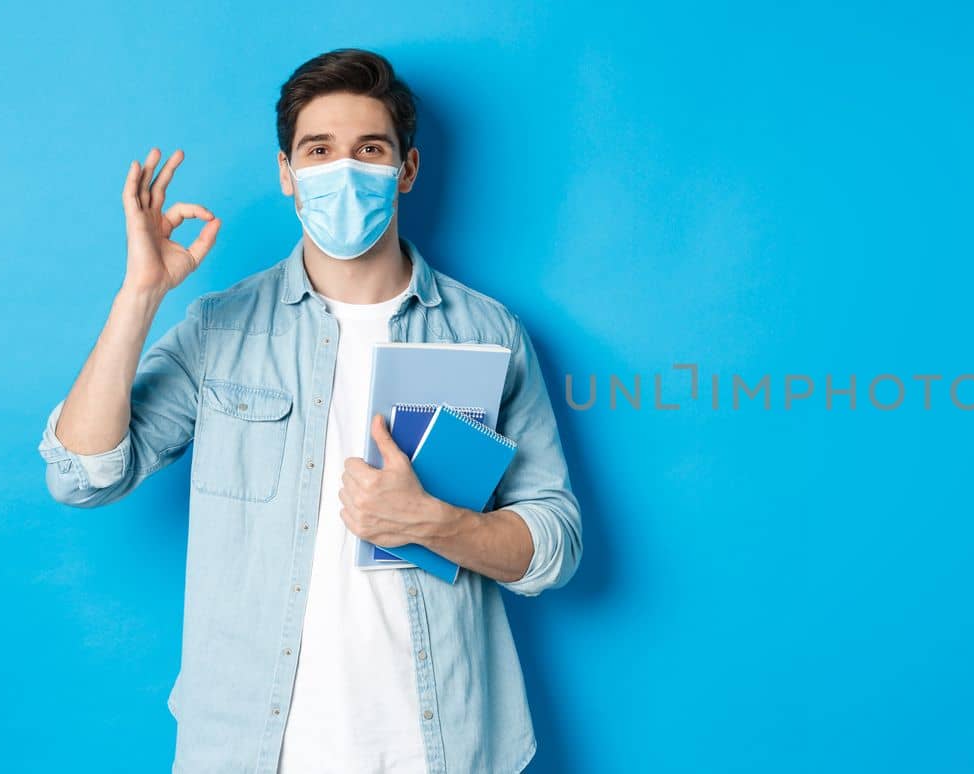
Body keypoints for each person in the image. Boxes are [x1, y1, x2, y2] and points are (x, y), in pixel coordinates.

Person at [35, 48, 581, 773]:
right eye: (319, 151)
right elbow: (83, 474)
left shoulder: (489, 334)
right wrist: (140, 294)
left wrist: (438, 524)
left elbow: (556, 543)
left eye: (370, 150)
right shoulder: (220, 329)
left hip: (441, 741)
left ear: (406, 171)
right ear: (288, 174)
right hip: (249, 746)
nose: (344, 170)